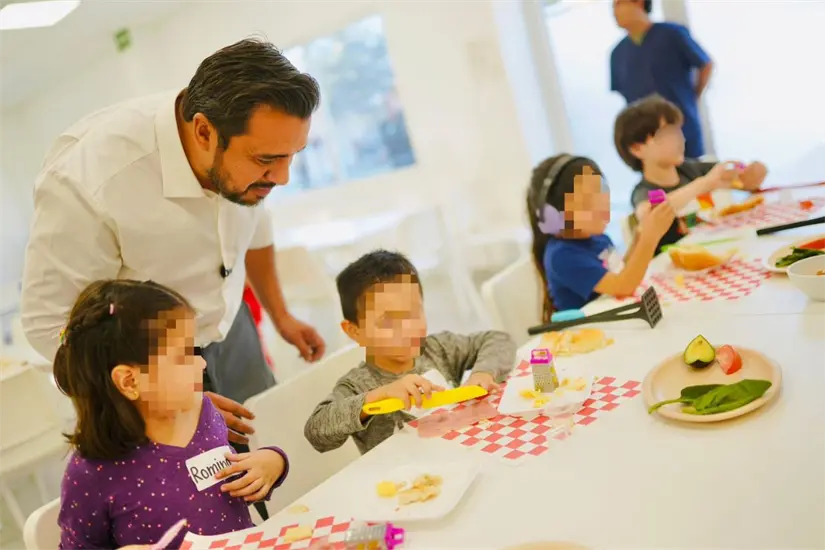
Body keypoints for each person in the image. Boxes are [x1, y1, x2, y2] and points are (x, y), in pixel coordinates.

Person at [20, 40, 327, 516]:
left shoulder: (248, 154)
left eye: (293, 156)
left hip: (233, 328)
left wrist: (281, 314)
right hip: (152, 372)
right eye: (268, 161)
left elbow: (257, 224)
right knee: (203, 508)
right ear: (203, 131)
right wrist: (162, 402)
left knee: (271, 482)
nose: (283, 178)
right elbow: (48, 327)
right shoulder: (90, 179)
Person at [54, 279, 289, 550]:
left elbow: (234, 483)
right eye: (183, 356)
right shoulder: (91, 472)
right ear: (129, 381)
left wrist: (272, 462)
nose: (201, 362)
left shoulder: (205, 414)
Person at [304, 250, 516, 455]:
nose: (407, 328)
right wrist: (376, 397)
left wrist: (483, 373)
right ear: (355, 331)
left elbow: (499, 339)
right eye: (388, 321)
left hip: (463, 458)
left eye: (414, 312)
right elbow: (316, 431)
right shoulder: (356, 385)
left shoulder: (437, 349)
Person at [526, 155, 676, 319]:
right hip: (585, 334)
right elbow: (623, 285)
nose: (601, 205)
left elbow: (620, 272)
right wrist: (650, 237)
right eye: (586, 202)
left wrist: (641, 233)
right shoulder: (561, 256)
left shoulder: (598, 238)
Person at [614, 95, 768, 251]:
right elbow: (652, 212)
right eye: (666, 134)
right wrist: (705, 183)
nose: (679, 140)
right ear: (637, 149)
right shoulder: (646, 191)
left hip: (721, 249)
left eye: (678, 131)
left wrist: (752, 174)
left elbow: (743, 181)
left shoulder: (693, 169)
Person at [610, 0, 713, 159]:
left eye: (619, 4)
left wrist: (693, 97)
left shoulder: (672, 34)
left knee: (693, 172)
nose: (614, 11)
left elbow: (705, 64)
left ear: (639, 3)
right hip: (646, 140)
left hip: (683, 129)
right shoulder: (617, 54)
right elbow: (625, 95)